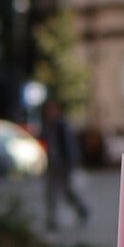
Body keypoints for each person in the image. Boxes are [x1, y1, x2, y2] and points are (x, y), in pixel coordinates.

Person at [41, 94, 90, 230]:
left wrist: (72, 164)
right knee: (51, 193)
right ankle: (52, 220)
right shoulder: (47, 125)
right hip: (52, 166)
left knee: (67, 192)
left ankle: (81, 209)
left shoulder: (61, 125)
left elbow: (70, 146)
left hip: (63, 166)